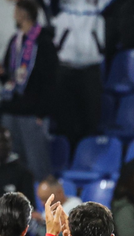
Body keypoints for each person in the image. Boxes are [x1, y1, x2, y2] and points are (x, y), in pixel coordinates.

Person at [0, 0, 57, 183]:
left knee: (38, 165)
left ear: (24, 13)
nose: (13, 14)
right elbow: (13, 78)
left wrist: (42, 112)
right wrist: (2, 75)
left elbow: (50, 80)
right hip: (12, 109)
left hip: (32, 113)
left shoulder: (43, 42)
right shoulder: (15, 41)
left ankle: (44, 206)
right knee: (14, 165)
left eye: (16, 10)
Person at [50, 0, 108, 144]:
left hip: (91, 66)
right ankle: (69, 154)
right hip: (65, 65)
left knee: (91, 117)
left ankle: (87, 154)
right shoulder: (61, 7)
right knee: (65, 118)